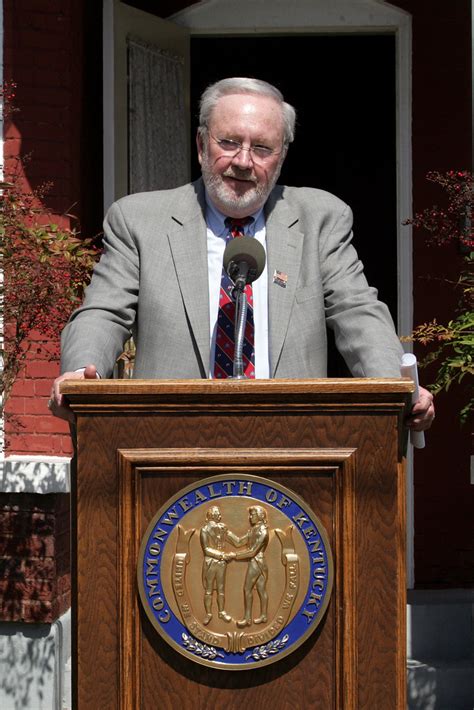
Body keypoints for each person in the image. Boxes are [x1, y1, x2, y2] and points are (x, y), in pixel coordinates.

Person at [49, 77, 434, 429]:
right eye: (229, 142)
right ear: (201, 145)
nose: (244, 161)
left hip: (294, 446)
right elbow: (103, 312)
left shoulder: (320, 219)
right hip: (168, 444)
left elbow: (357, 311)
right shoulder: (139, 220)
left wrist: (395, 386)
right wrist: (82, 374)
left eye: (262, 148)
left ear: (281, 158)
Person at [226, 505, 269, 628]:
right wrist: (227, 533)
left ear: (260, 516)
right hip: (258, 562)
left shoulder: (263, 531)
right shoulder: (253, 530)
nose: (250, 517)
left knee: (247, 589)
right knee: (261, 589)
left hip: (257, 562)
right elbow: (239, 542)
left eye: (252, 514)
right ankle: (263, 616)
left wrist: (234, 555)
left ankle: (247, 618)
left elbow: (252, 552)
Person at [199, 506, 235, 625]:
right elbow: (206, 549)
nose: (219, 514)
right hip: (211, 562)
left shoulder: (222, 528)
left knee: (221, 589)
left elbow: (236, 541)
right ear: (211, 515)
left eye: (218, 513)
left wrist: (249, 538)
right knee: (209, 590)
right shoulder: (204, 530)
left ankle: (221, 612)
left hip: (221, 563)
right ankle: (209, 614)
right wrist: (221, 555)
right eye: (216, 513)